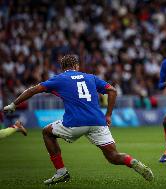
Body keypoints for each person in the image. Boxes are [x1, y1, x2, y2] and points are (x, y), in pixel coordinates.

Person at [3, 54, 154, 185]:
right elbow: (112, 91)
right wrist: (108, 114)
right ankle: (132, 161)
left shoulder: (60, 78)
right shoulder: (90, 77)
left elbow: (33, 89)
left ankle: (61, 172)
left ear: (63, 67)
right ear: (77, 66)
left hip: (75, 123)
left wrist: (14, 104)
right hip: (97, 122)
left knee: (47, 132)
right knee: (113, 156)